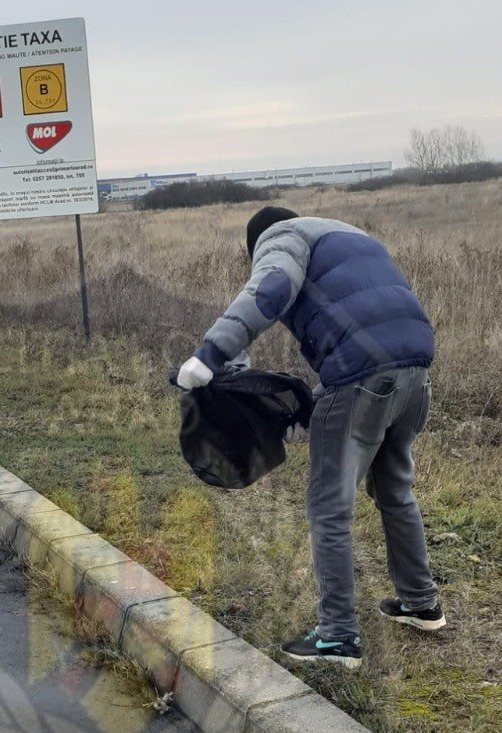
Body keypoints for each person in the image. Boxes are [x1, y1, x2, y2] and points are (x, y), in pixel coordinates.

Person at [176, 207, 443, 670]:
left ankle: (338, 637)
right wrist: (319, 404)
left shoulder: (281, 238)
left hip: (362, 375)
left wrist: (207, 356)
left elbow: (270, 291)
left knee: (328, 507)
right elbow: (361, 325)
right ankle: (421, 603)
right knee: (395, 490)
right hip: (416, 372)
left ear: (257, 244)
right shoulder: (347, 234)